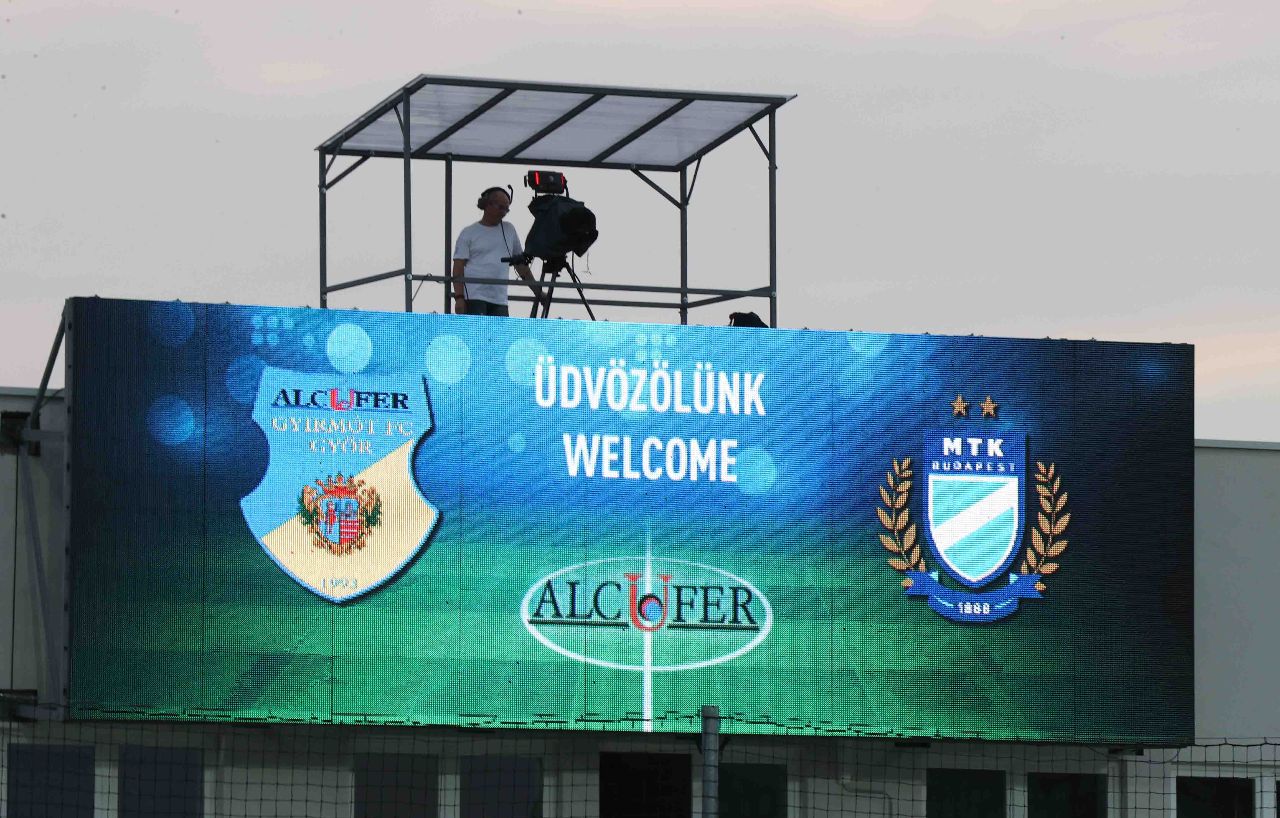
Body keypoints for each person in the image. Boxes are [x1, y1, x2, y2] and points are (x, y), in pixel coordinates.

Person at [452, 187, 542, 316]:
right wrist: (459, 298)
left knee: (501, 330)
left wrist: (538, 292)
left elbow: (520, 265)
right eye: (501, 207)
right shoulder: (469, 232)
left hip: (500, 299)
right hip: (473, 297)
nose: (503, 212)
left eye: (506, 209)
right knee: (477, 329)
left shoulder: (509, 230)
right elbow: (458, 267)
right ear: (487, 204)